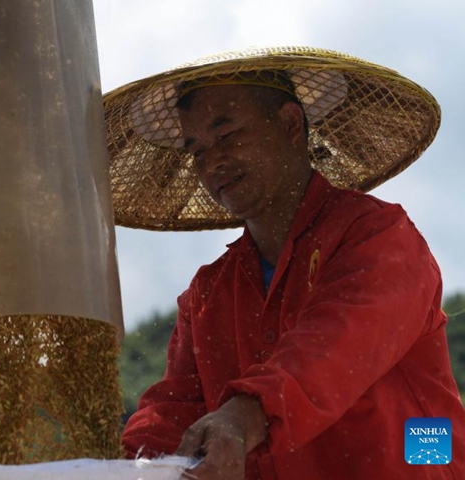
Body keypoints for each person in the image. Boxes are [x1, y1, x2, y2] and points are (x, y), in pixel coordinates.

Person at [106, 49, 465, 478]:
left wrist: (243, 416)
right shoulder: (206, 296)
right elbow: (171, 412)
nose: (212, 161)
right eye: (196, 149)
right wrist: (124, 466)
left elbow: (333, 347)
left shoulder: (378, 236)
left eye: (228, 134)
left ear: (291, 124)